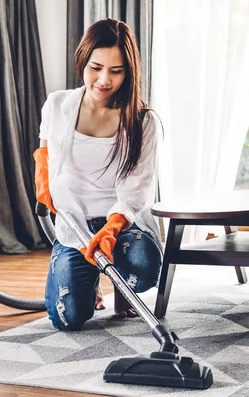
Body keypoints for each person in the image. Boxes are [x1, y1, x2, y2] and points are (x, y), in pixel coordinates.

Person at [33, 18, 163, 331]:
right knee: (69, 317)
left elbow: (136, 190)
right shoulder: (57, 104)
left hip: (122, 226)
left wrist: (111, 229)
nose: (104, 80)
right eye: (96, 67)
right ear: (82, 60)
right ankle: (89, 282)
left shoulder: (143, 121)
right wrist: (42, 181)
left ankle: (122, 287)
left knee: (142, 269)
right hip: (74, 225)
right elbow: (45, 154)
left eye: (116, 71)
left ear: (129, 71)